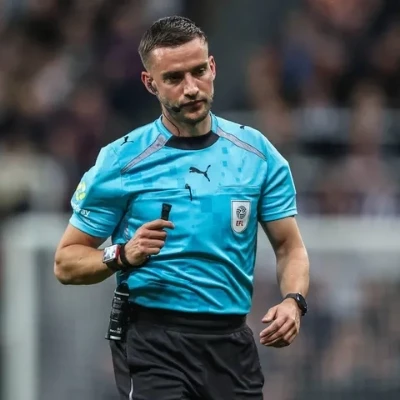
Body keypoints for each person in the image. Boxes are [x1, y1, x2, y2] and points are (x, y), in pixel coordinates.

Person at [54, 15, 310, 400]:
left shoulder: (258, 155)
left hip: (230, 343)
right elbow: (66, 262)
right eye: (174, 78)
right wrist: (121, 254)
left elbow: (290, 247)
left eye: (198, 72)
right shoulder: (121, 160)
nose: (191, 88)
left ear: (213, 67)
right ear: (150, 83)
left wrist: (294, 301)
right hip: (153, 342)